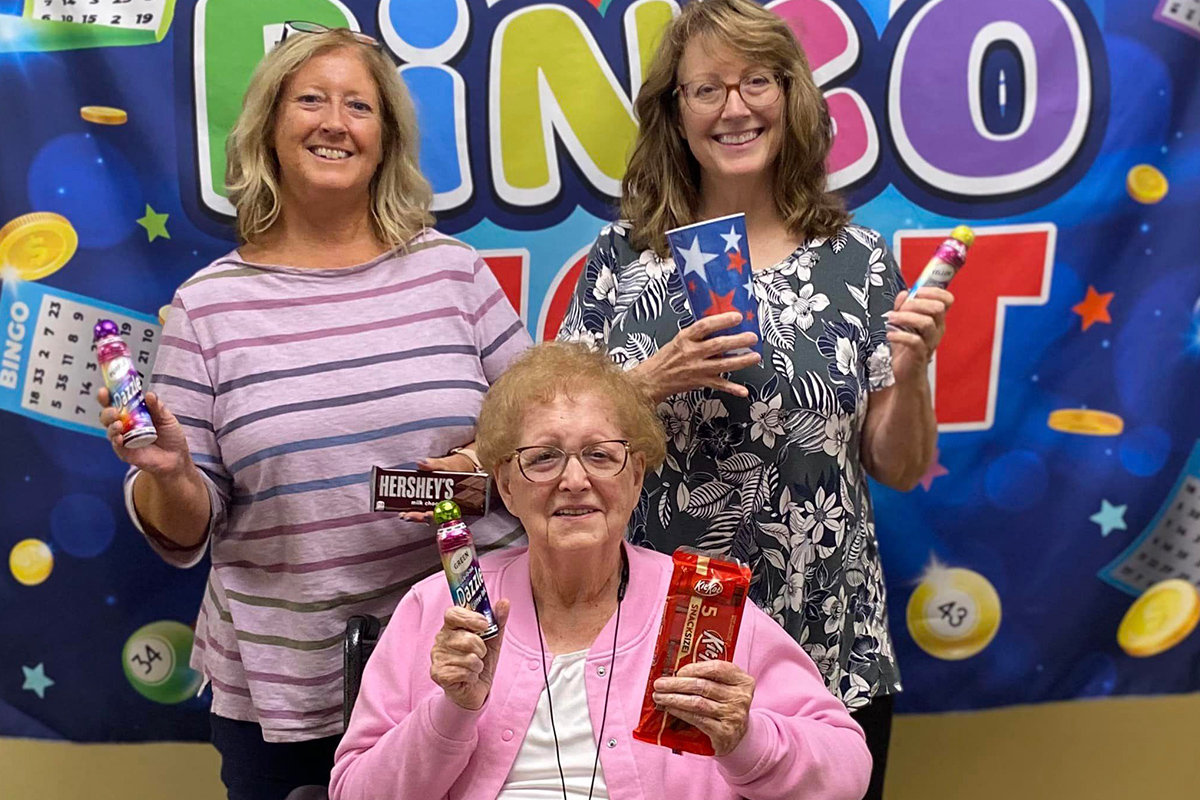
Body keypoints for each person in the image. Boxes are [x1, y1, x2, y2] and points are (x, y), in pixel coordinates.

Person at [96, 24, 529, 800]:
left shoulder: (452, 272)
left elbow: (539, 431)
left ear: (385, 138)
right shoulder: (208, 307)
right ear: (268, 127)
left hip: (469, 652)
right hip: (290, 691)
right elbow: (187, 525)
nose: (335, 121)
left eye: (359, 105)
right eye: (311, 100)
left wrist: (479, 470)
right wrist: (169, 473)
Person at [556, 1, 953, 796]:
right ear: (676, 112)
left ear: (791, 97)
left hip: (827, 640)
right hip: (666, 640)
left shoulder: (860, 261)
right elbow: (552, 440)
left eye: (756, 82)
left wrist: (911, 375)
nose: (735, 108)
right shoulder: (622, 261)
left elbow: (899, 466)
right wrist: (645, 384)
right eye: (706, 89)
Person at [330, 343, 872, 800]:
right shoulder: (439, 608)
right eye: (542, 458)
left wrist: (747, 737)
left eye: (600, 455)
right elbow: (353, 790)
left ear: (636, 476)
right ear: (508, 485)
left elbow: (848, 770)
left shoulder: (698, 604)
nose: (573, 480)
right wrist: (452, 708)